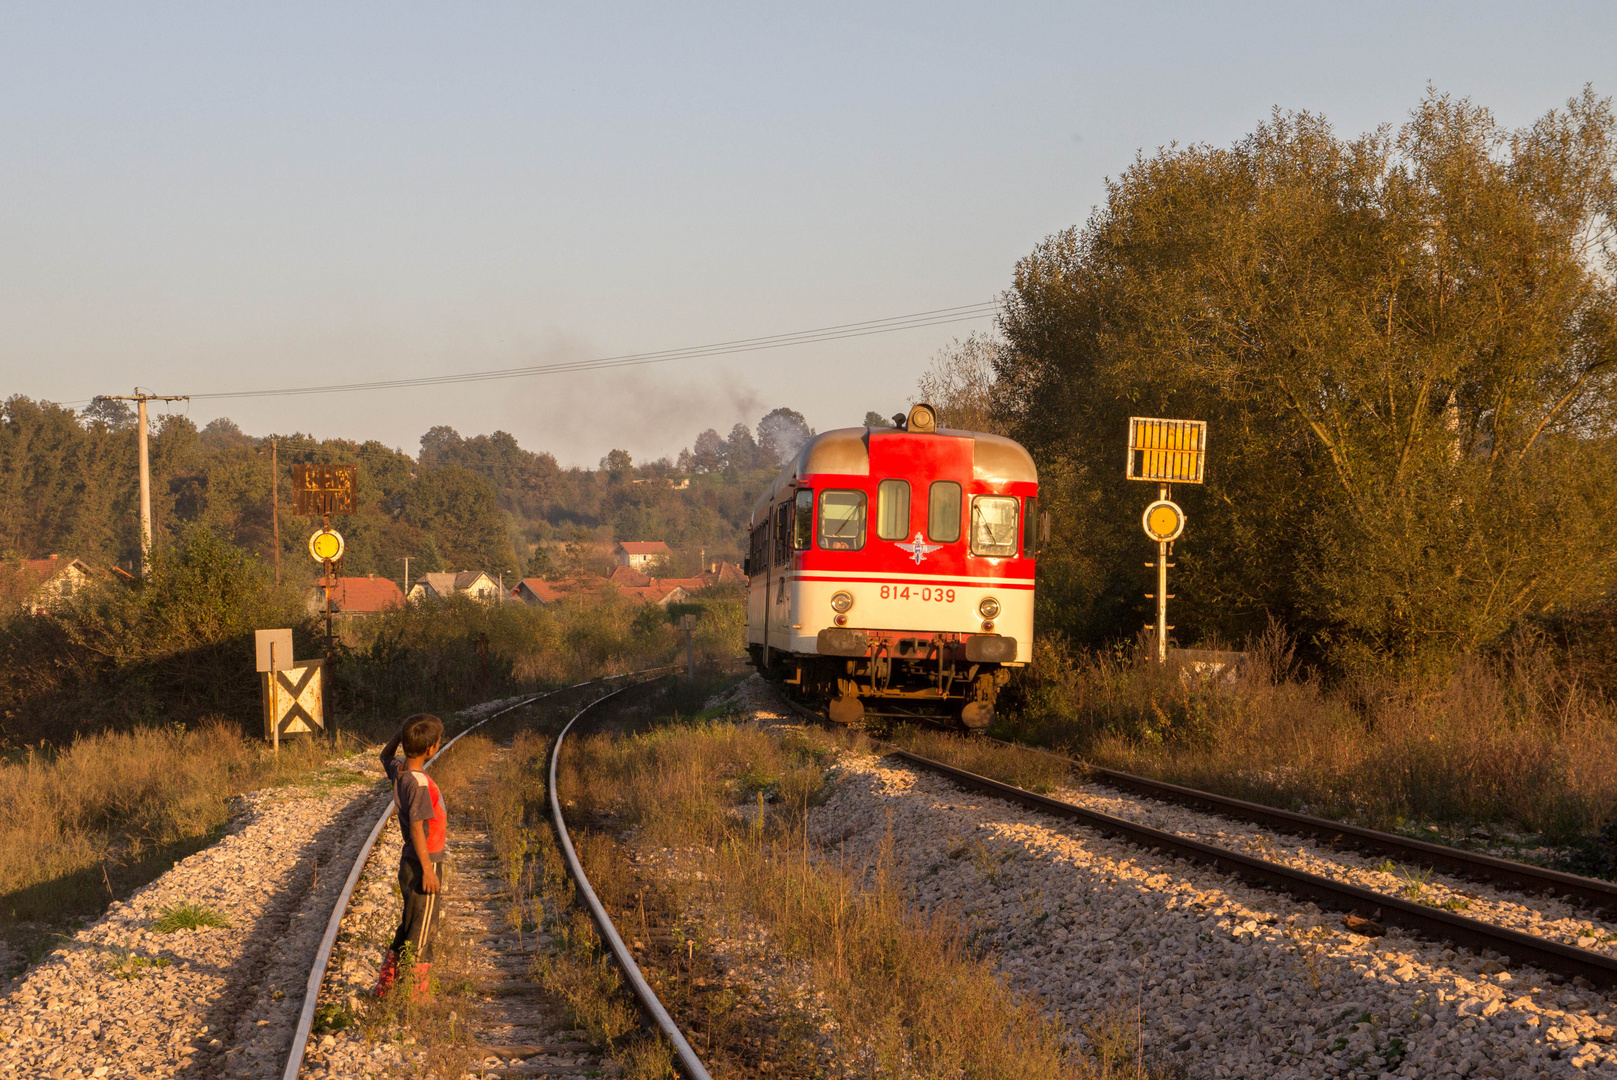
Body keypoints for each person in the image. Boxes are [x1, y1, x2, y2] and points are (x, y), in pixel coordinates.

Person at [373, 714, 449, 997]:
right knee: (423, 931)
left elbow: (384, 755)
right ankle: (414, 996)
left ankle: (386, 988)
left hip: (411, 862)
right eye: (439, 742)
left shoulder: (401, 771)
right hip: (422, 863)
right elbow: (417, 829)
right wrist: (429, 871)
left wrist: (398, 735)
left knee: (409, 925)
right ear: (431, 749)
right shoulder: (418, 783)